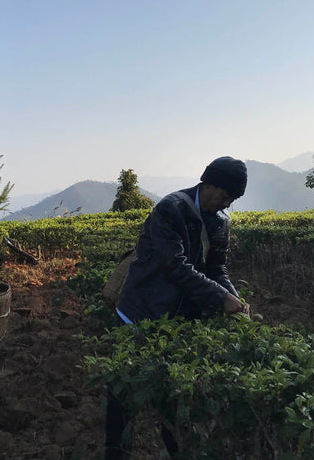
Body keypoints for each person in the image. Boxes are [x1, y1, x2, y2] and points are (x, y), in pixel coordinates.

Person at [106, 156, 250, 459]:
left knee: (173, 395)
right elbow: (176, 266)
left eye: (231, 200)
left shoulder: (220, 221)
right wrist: (221, 299)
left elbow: (217, 269)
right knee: (123, 390)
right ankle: (115, 451)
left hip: (179, 317)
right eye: (223, 196)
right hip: (141, 309)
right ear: (207, 183)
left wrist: (235, 299)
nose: (225, 205)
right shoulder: (171, 209)